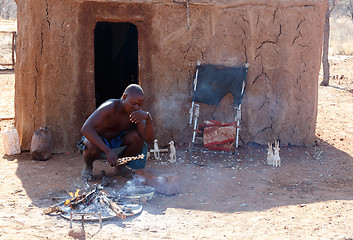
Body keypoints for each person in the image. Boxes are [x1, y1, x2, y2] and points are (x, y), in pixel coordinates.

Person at [78, 84, 155, 181]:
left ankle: (120, 166)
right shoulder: (110, 107)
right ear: (124, 97)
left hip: (116, 142)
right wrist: (107, 150)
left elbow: (149, 139)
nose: (136, 107)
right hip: (98, 141)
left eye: (139, 105)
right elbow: (85, 129)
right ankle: (88, 167)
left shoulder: (135, 113)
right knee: (91, 144)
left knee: (137, 138)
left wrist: (148, 118)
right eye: (133, 103)